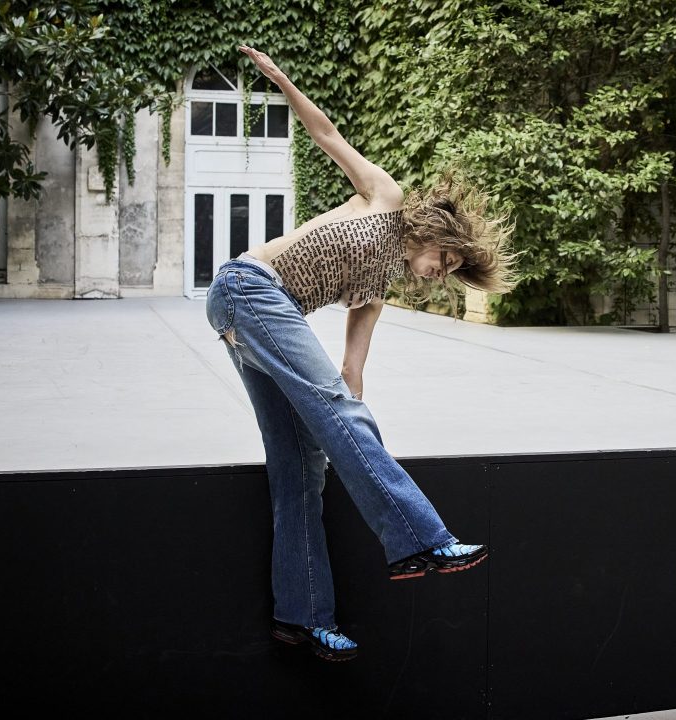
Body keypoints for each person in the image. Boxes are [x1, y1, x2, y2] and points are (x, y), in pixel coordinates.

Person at [205, 45, 516, 661]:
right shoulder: (386, 199)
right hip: (248, 287)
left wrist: (349, 408)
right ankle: (420, 538)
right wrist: (282, 79)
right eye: (446, 259)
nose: (441, 271)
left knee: (302, 468)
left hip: (258, 315)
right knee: (335, 415)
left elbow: (351, 372)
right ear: (434, 233)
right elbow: (327, 135)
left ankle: (303, 616)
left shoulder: (377, 289)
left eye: (451, 271)